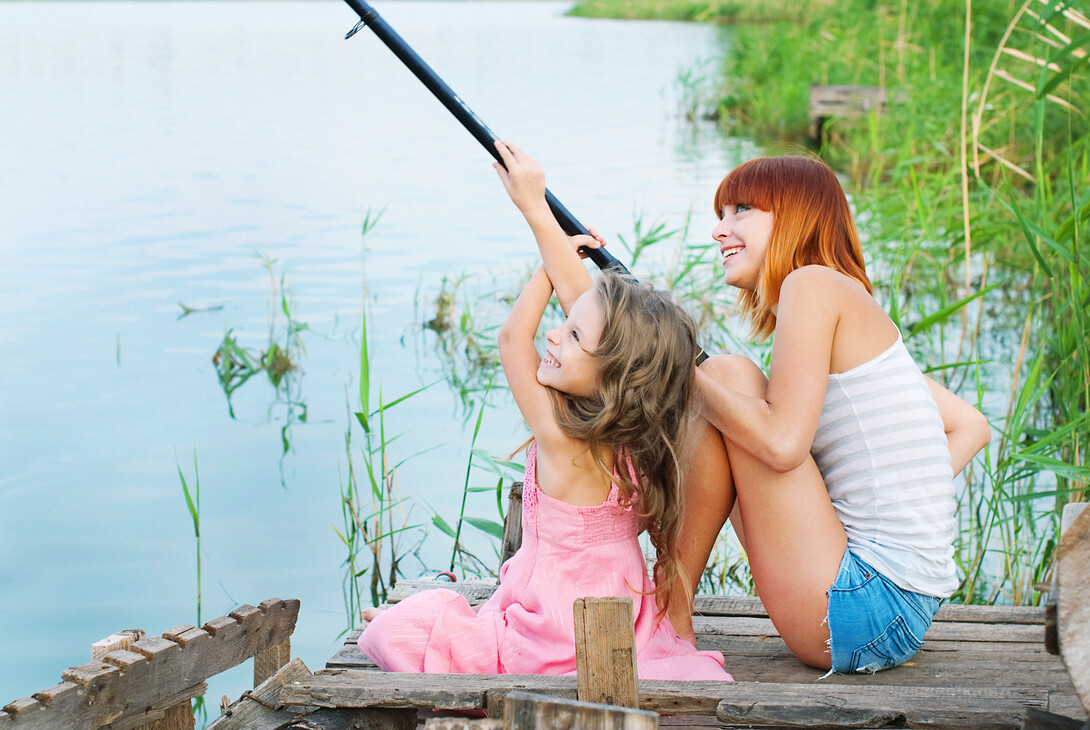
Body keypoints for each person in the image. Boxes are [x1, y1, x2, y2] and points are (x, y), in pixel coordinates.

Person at [356, 142, 731, 681]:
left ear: (614, 375)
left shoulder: (560, 434)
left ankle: (396, 619)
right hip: (620, 630)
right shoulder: (641, 445)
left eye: (573, 333)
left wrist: (545, 270)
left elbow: (512, 340)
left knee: (408, 626)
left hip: (550, 635)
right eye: (565, 321)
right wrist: (563, 261)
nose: (555, 335)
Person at [638, 153, 993, 674]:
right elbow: (974, 425)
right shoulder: (847, 314)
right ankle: (669, 612)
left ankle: (666, 618)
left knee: (727, 378)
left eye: (740, 210)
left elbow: (783, 447)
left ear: (795, 215)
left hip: (864, 607)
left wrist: (685, 372)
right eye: (722, 214)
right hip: (897, 611)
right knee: (731, 385)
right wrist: (849, 502)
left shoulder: (811, 284)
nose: (720, 229)